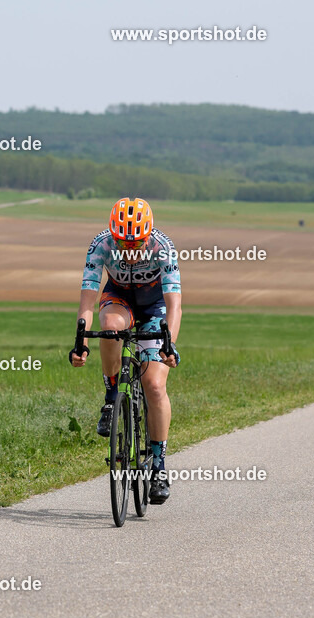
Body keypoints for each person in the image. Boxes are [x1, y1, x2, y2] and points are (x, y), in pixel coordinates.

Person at [69, 197, 181, 503]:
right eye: (122, 243)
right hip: (118, 299)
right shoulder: (101, 245)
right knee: (110, 327)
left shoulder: (163, 247)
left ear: (148, 235)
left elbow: (174, 304)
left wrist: (169, 344)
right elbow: (87, 301)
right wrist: (81, 343)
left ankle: (158, 466)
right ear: (113, 235)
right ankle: (111, 398)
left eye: (136, 243)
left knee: (154, 386)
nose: (129, 250)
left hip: (155, 308)